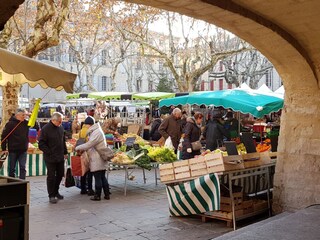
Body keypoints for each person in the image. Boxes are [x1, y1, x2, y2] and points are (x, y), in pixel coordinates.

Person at [75, 116, 110, 201]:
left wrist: (77, 147)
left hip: (97, 157)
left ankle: (97, 196)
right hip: (100, 156)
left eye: (86, 125)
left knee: (98, 177)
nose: (85, 126)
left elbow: (90, 144)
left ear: (89, 124)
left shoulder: (96, 132)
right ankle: (106, 195)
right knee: (102, 177)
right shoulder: (96, 131)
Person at [38, 112, 68, 204]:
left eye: (61, 121)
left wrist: (65, 152)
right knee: (51, 176)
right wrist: (49, 152)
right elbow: (41, 144)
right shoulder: (45, 129)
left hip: (59, 156)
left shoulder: (61, 128)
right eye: (59, 121)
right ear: (53, 120)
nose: (60, 123)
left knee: (60, 174)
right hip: (50, 157)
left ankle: (56, 191)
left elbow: (63, 141)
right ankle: (51, 195)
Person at [1, 108, 29, 179]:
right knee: (12, 168)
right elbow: (4, 136)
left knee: (23, 167)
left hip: (23, 150)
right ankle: (12, 182)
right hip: (13, 150)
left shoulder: (26, 123)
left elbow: (36, 127)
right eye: (23, 115)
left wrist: (31, 116)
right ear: (17, 115)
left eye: (25, 115)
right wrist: (4, 148)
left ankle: (22, 183)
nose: (24, 117)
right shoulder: (10, 124)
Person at [77, 117, 94, 196]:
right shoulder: (89, 131)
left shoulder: (81, 130)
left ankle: (83, 188)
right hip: (87, 153)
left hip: (81, 152)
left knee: (83, 171)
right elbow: (89, 143)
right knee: (89, 172)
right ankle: (90, 189)